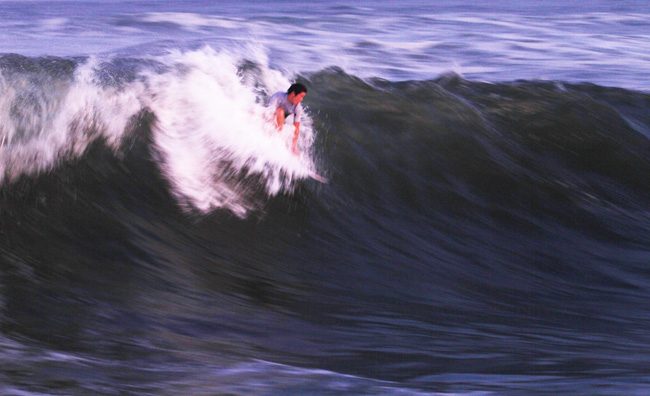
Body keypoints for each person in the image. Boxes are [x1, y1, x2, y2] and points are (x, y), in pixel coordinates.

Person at [268, 83, 307, 154]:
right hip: (269, 116)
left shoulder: (298, 108)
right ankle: (275, 138)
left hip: (280, 122)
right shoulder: (278, 97)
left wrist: (293, 148)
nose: (301, 100)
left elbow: (296, 129)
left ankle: (277, 139)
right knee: (280, 111)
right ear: (293, 93)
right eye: (301, 96)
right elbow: (269, 114)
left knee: (281, 113)